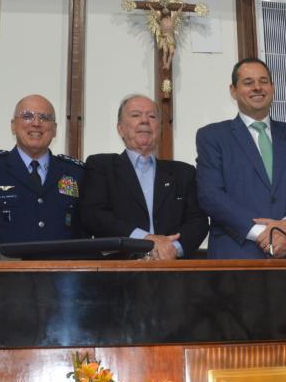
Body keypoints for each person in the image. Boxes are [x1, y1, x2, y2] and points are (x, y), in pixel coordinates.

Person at [195, 58, 286, 259]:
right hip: (237, 256)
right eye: (248, 82)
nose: (257, 87)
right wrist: (265, 235)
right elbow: (211, 195)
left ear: (272, 88)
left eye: (263, 81)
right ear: (233, 90)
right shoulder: (212, 137)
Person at [80, 94, 208, 259]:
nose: (145, 121)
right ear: (120, 129)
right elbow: (94, 215)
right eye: (136, 115)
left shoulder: (183, 173)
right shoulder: (101, 166)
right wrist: (145, 240)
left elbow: (198, 222)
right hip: (118, 268)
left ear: (159, 128)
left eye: (152, 116)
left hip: (172, 269)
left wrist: (172, 249)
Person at [0, 95, 85, 258]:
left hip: (60, 280)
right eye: (27, 116)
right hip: (3, 280)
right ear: (13, 126)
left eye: (45, 118)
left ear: (54, 129)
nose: (36, 123)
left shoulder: (75, 173)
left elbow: (84, 235)